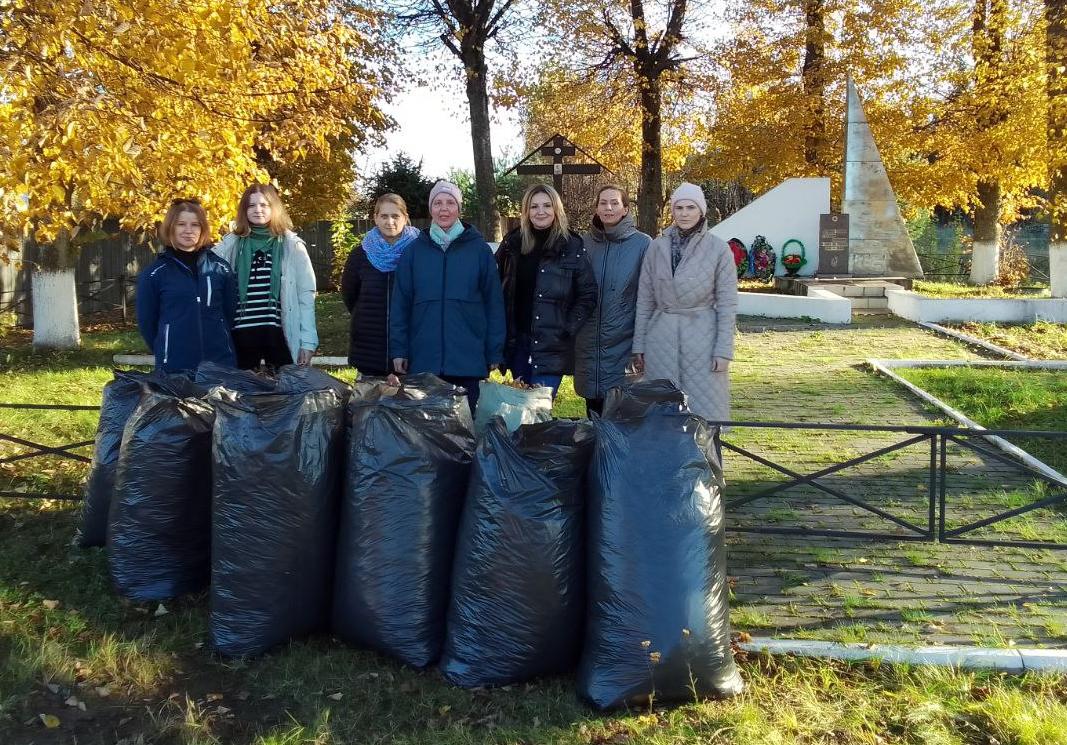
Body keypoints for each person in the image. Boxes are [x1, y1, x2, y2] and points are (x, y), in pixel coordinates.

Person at [389, 180, 505, 412]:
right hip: (424, 360)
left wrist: (494, 350)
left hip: (467, 359)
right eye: (438, 203)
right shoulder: (413, 252)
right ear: (430, 209)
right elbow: (401, 304)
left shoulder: (480, 251)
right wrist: (399, 349)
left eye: (450, 203)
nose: (444, 209)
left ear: (459, 208)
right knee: (428, 428)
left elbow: (494, 304)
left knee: (464, 427)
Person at [632, 182, 738, 423]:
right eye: (679, 208)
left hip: (703, 339)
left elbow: (727, 304)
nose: (684, 213)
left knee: (705, 415)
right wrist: (639, 346)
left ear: (701, 210)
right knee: (662, 414)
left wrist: (723, 350)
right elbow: (645, 299)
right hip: (660, 338)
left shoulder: (719, 249)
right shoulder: (656, 247)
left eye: (691, 207)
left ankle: (706, 450)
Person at [495, 184, 596, 398]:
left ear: (556, 209)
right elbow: (496, 286)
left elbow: (588, 294)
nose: (540, 211)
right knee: (520, 405)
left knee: (540, 407)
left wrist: (568, 327)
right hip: (519, 343)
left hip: (552, 343)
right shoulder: (513, 243)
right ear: (526, 211)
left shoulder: (571, 246)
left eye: (547, 205)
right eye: (534, 206)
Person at [213, 183, 318, 369]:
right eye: (251, 205)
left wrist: (308, 341)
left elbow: (306, 297)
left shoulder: (292, 246)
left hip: (278, 335)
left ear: (274, 208)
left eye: (264, 205)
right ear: (244, 210)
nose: (258, 210)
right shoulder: (230, 246)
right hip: (240, 335)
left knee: (285, 386)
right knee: (241, 387)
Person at [573, 184, 651, 415]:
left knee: (622, 416)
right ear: (596, 209)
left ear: (625, 209)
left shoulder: (643, 244)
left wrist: (642, 344)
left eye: (615, 203)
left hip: (624, 345)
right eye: (603, 203)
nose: (608, 208)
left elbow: (648, 298)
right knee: (594, 414)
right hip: (588, 345)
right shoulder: (583, 244)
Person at [137, 198, 237, 373]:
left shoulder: (221, 269)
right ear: (171, 227)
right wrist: (166, 349)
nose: (188, 230)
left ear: (202, 228)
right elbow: (147, 323)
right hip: (175, 367)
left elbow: (230, 313)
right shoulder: (155, 274)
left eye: (195, 225)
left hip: (219, 365)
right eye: (181, 224)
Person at [340, 194, 420, 376]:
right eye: (384, 216)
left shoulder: (419, 253)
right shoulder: (360, 255)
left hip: (410, 347)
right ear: (375, 218)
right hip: (368, 348)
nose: (390, 222)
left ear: (405, 218)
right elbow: (349, 295)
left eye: (395, 216)